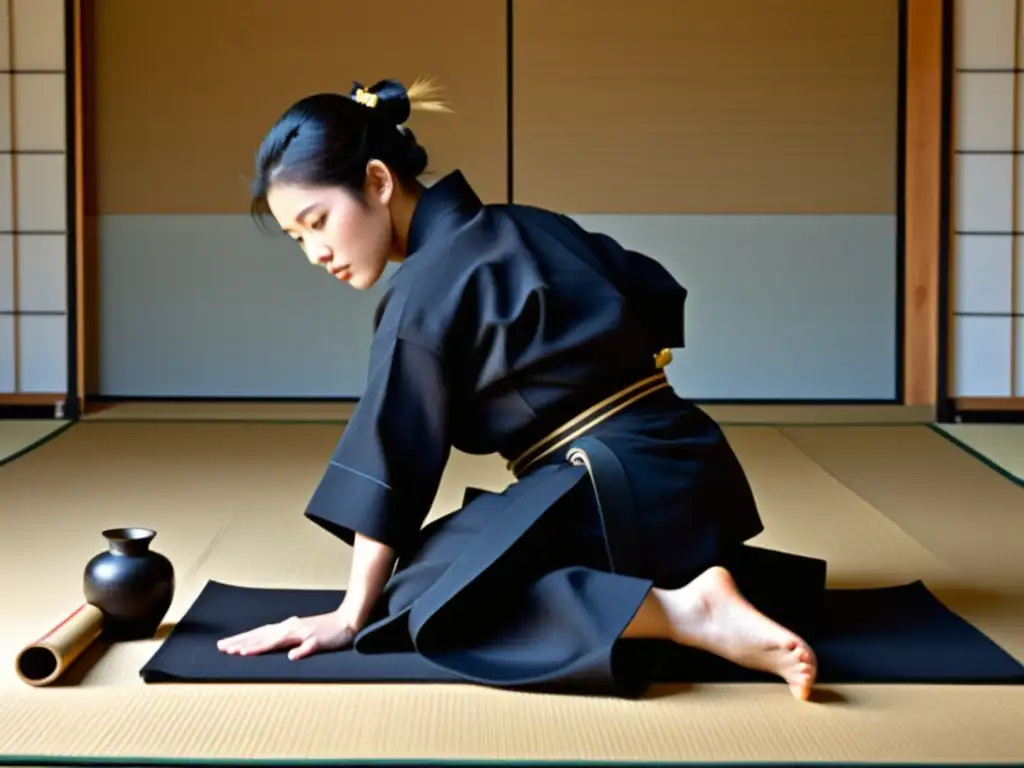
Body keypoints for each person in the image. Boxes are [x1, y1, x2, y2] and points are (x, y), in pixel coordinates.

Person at [216, 77, 819, 701]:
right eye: (298, 239)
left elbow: (394, 451)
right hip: (694, 471)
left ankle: (683, 612)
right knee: (459, 548)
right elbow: (653, 295)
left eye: (317, 222)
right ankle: (684, 582)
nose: (316, 252)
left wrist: (351, 614)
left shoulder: (422, 293)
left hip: (612, 489)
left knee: (420, 596)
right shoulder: (529, 225)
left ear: (377, 180)